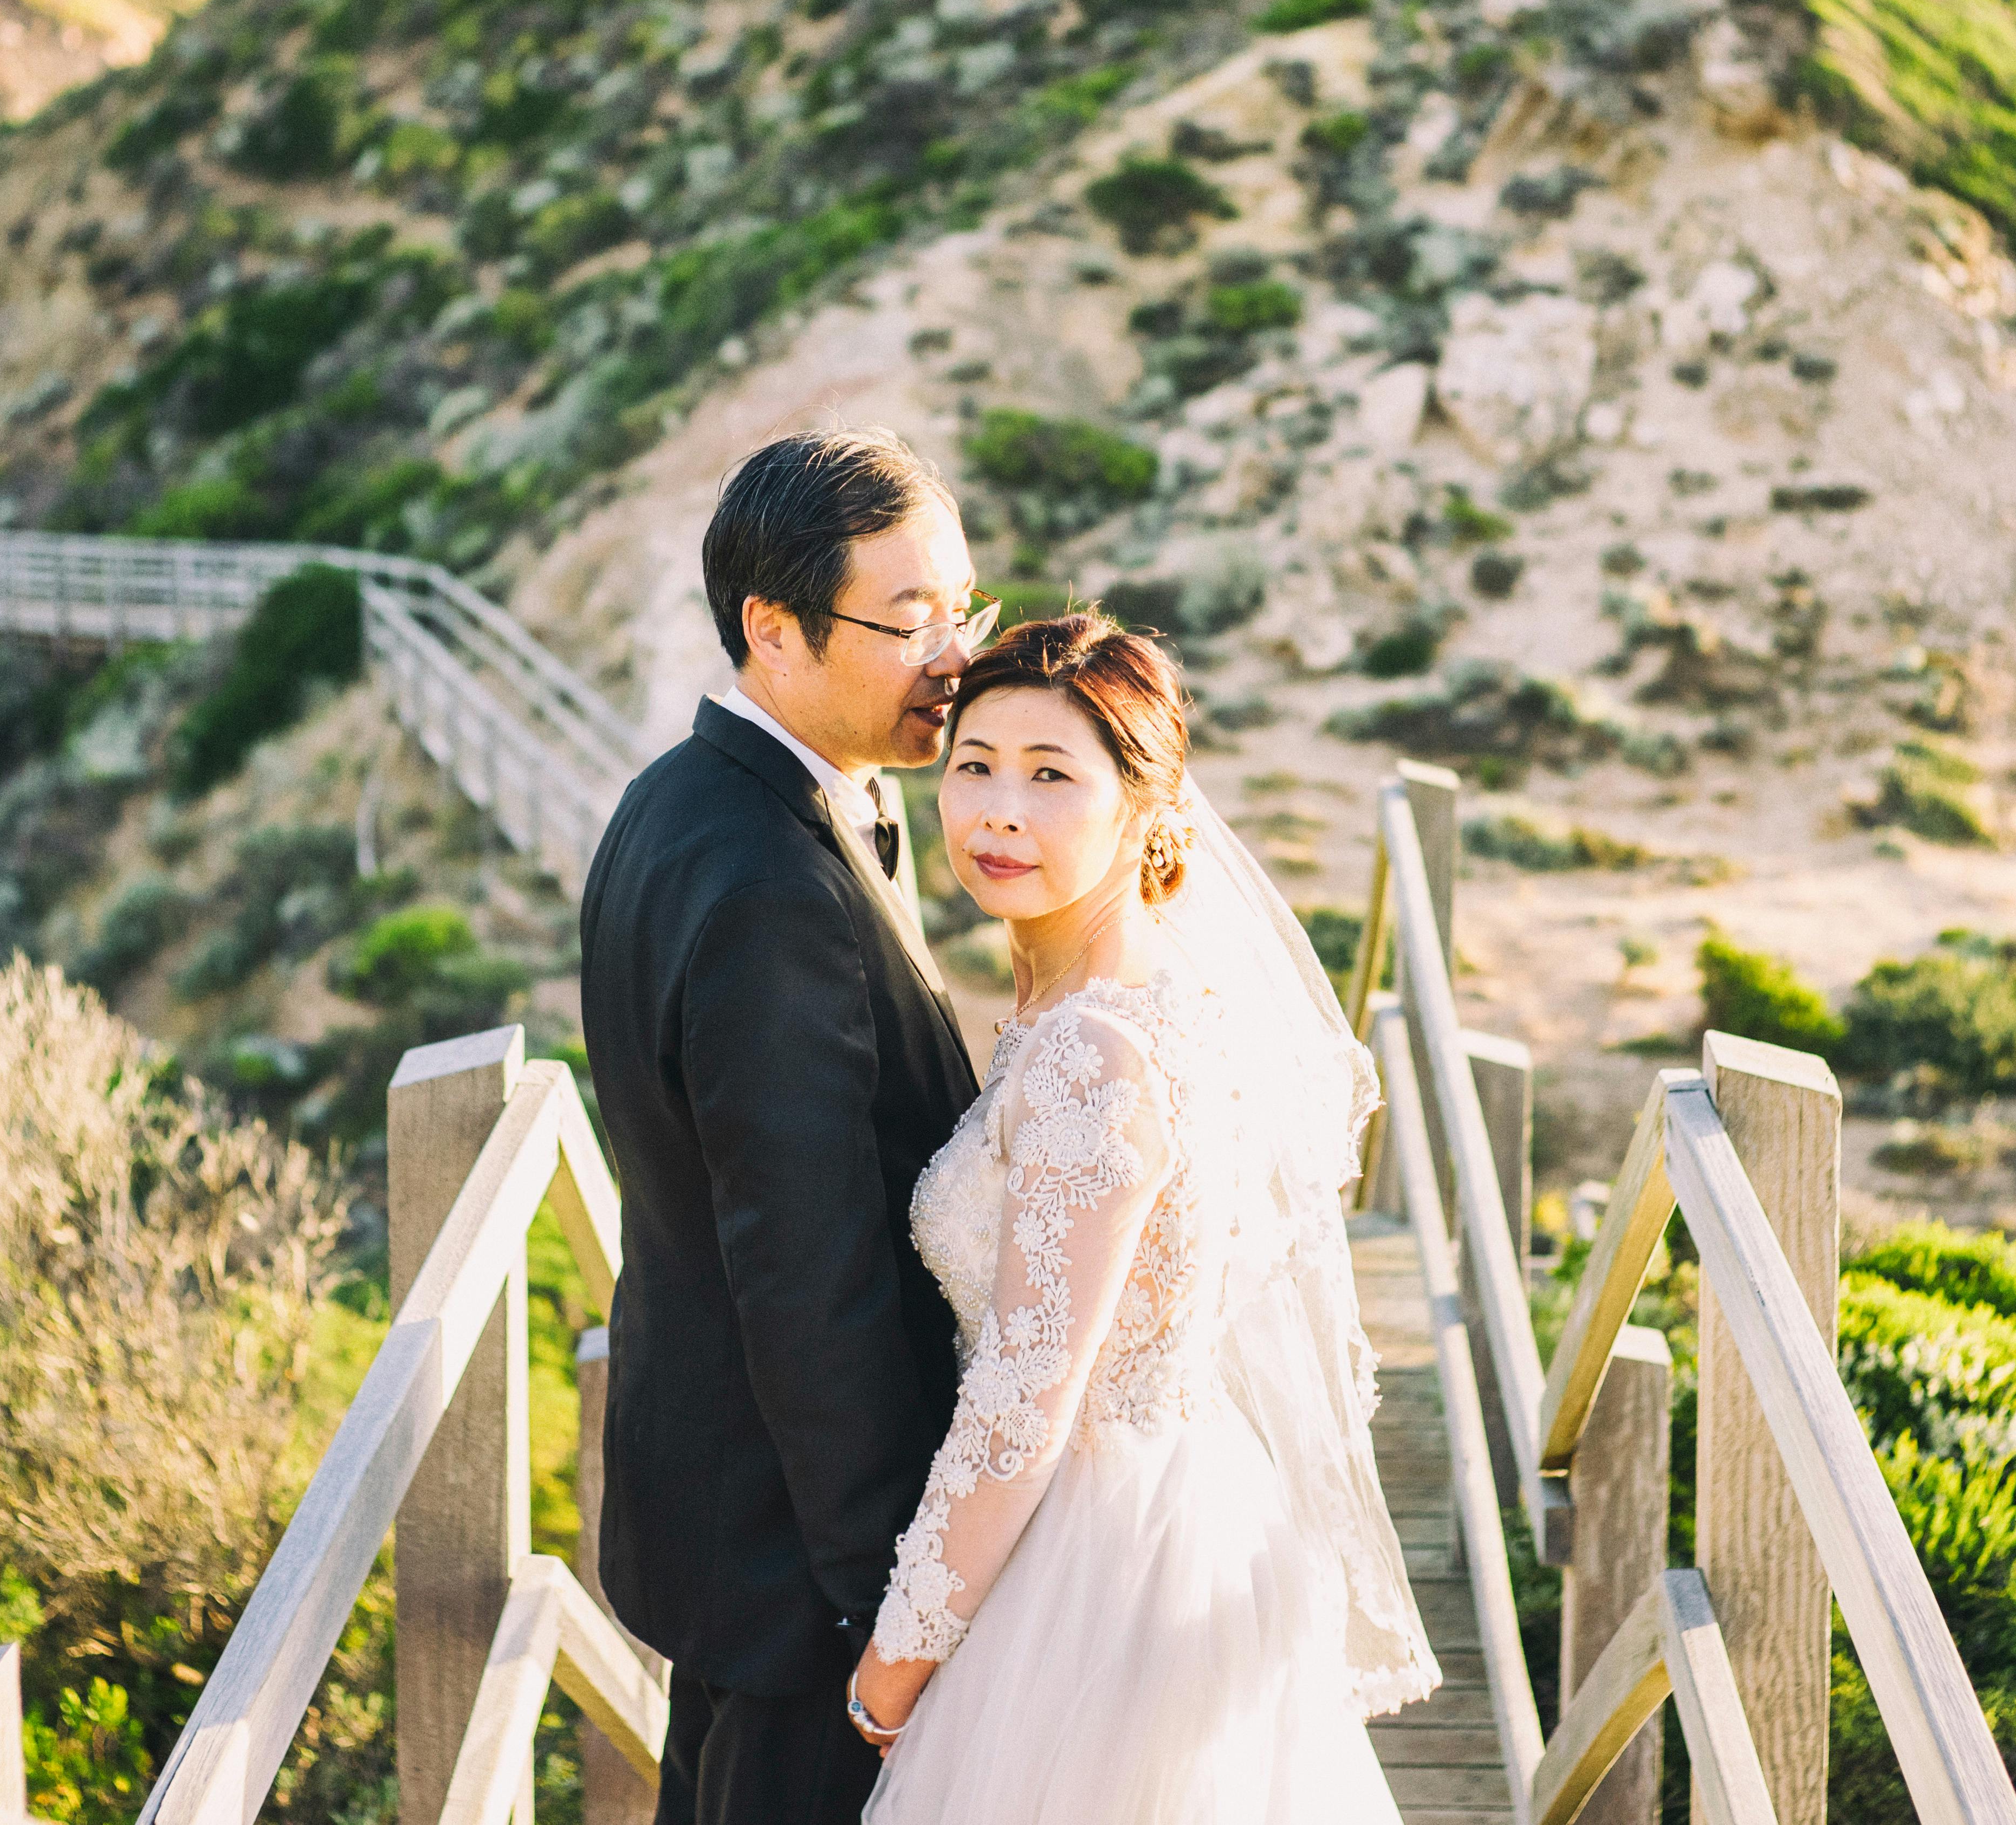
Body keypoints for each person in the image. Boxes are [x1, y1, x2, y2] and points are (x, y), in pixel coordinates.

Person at [847, 612, 1435, 1823]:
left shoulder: (1089, 1056)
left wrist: (891, 1671)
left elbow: (1023, 1409)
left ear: (1147, 805)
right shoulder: (1155, 992)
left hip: (1093, 1587)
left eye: (1053, 774)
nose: (999, 810)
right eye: (976, 764)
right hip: (1186, 1512)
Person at [576, 428, 1003, 1825]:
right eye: (909, 620)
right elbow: (807, 1279)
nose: (954, 654)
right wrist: (895, 1608)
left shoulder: (678, 799)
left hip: (721, 1514)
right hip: (803, 1570)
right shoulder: (769, 889)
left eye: (964, 607)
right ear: (774, 629)